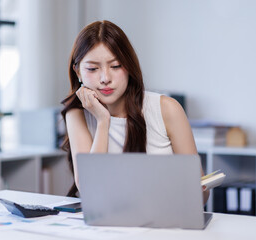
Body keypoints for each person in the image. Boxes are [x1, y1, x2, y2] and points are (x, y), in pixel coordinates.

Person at [61, 20, 209, 204]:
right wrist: (103, 121)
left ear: (129, 66)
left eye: (115, 66)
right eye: (92, 69)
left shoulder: (167, 109)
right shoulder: (76, 114)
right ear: (78, 72)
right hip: (106, 226)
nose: (105, 78)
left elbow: (201, 196)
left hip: (165, 223)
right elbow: (89, 189)